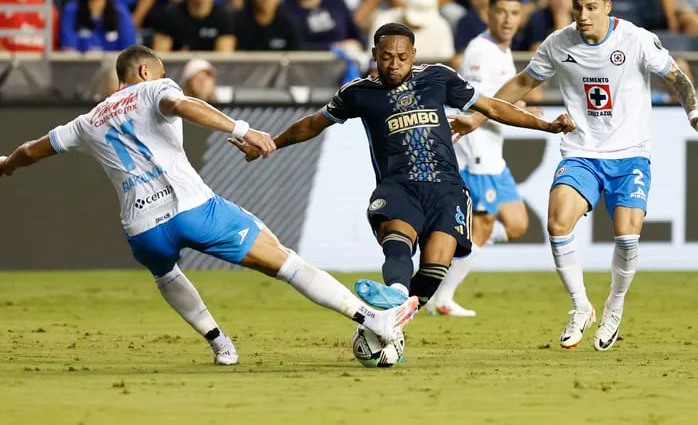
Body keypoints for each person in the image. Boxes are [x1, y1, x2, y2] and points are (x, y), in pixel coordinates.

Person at [0, 44, 419, 365]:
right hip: (194, 209)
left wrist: (6, 166)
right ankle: (372, 318)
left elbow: (33, 150)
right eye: (163, 72)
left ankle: (220, 345)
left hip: (142, 227)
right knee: (284, 262)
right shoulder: (154, 89)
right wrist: (242, 127)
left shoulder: (85, 122)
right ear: (146, 71)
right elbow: (184, 105)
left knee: (166, 275)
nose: (167, 79)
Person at [449, 0, 698, 351]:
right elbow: (522, 82)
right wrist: (477, 116)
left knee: (626, 237)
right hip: (581, 152)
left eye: (591, 7)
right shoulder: (558, 44)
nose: (583, 15)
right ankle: (580, 307)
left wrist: (695, 117)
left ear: (607, 7)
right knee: (557, 224)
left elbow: (676, 78)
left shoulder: (637, 39)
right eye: (577, 7)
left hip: (630, 154)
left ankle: (614, 305)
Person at [229, 22, 576, 311]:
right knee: (397, 243)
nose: (393, 64)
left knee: (434, 269)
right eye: (386, 57)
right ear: (374, 56)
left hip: (446, 188)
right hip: (398, 186)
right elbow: (313, 123)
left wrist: (545, 126)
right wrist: (273, 141)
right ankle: (395, 292)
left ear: (413, 55)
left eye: (401, 57)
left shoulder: (438, 78)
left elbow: (495, 107)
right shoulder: (358, 92)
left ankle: (393, 315)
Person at [426, 0, 530, 317]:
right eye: (501, 12)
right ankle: (442, 297)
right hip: (477, 155)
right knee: (483, 225)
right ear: (489, 14)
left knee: (517, 224)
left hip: (494, 157)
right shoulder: (480, 51)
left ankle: (458, 240)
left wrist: (522, 106)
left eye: (514, 12)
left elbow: (499, 99)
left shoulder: (503, 51)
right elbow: (470, 101)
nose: (508, 19)